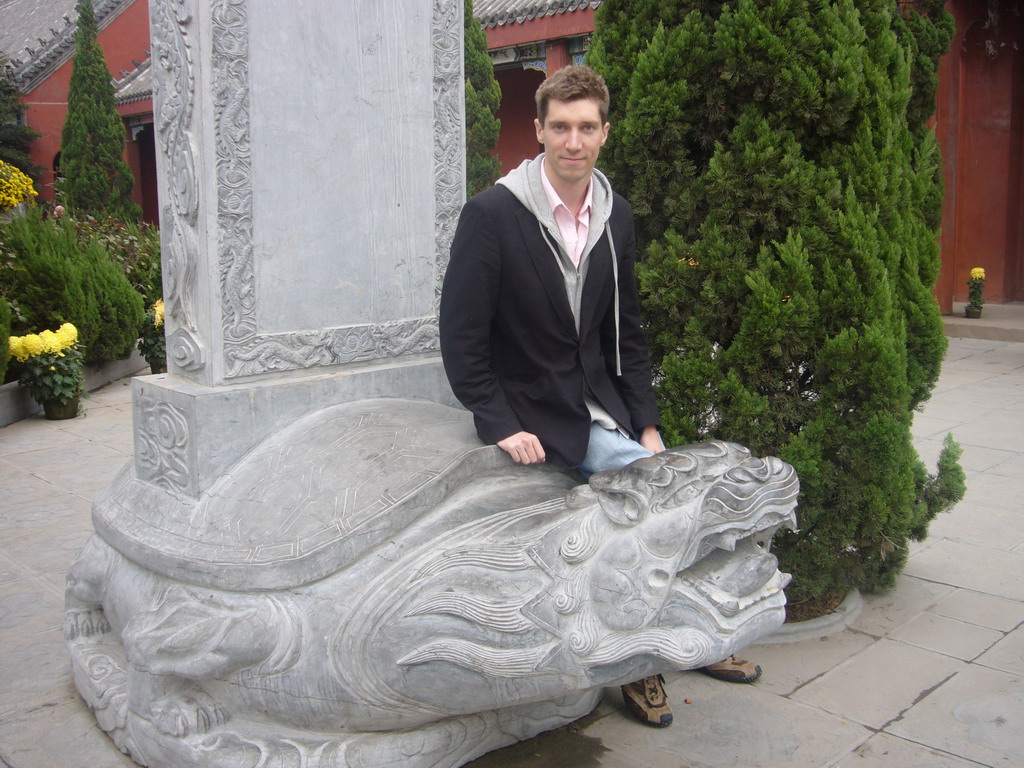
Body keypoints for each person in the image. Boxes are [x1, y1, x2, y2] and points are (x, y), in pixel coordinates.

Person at [439, 65, 760, 729]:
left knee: (682, 488)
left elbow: (627, 335)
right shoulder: (493, 215)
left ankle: (692, 634)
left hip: (601, 406)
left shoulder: (616, 217)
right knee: (654, 504)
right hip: (536, 410)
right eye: (560, 127)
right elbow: (461, 337)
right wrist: (497, 421)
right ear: (538, 132)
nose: (573, 141)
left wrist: (646, 424)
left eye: (586, 127)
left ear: (605, 133)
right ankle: (643, 665)